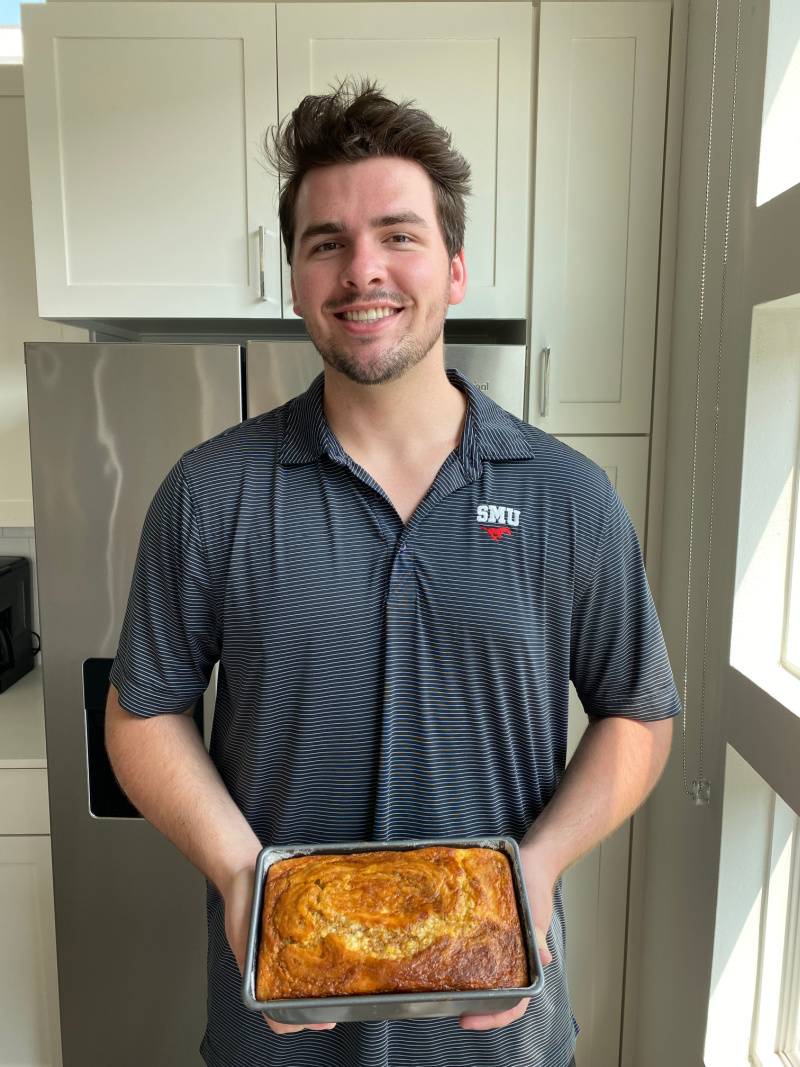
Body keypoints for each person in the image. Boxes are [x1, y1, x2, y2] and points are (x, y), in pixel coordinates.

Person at [105, 77, 680, 1067]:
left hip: (494, 1031)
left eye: (398, 234)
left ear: (455, 267)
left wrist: (535, 867)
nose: (360, 269)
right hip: (280, 1032)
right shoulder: (210, 493)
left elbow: (639, 710)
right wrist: (244, 876)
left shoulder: (566, 495)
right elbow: (141, 710)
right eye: (325, 241)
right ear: (293, 275)